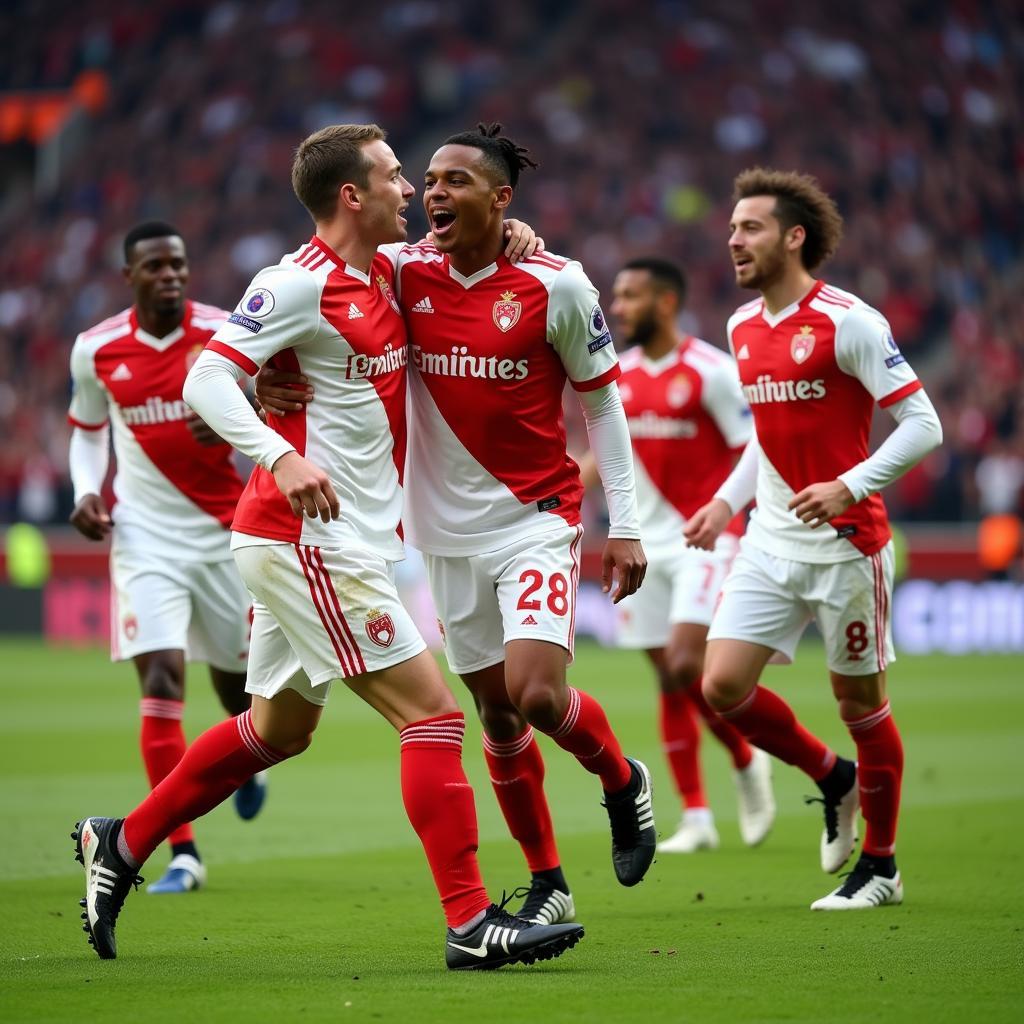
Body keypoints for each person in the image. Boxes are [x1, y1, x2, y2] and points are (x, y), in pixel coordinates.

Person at [73, 124, 583, 972]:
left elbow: (477, 250)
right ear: (352, 195)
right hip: (306, 535)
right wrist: (281, 452)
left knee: (275, 730)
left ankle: (120, 841)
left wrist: (518, 233)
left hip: (336, 541)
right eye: (393, 177)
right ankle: (469, 922)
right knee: (435, 716)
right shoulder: (296, 284)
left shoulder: (385, 269)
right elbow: (207, 376)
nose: (411, 192)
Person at [261, 125, 656, 924]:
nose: (432, 193)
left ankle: (622, 781)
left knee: (538, 693)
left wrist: (629, 522)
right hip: (442, 535)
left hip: (535, 519)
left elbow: (603, 405)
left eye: (454, 183)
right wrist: (271, 375)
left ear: (501, 200)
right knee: (498, 716)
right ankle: (547, 881)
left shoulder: (560, 284)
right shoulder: (400, 272)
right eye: (428, 180)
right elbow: (310, 299)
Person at [685, 168, 943, 909]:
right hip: (769, 539)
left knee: (862, 707)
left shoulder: (849, 321)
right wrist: (723, 503)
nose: (734, 240)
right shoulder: (741, 326)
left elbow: (925, 424)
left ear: (794, 237)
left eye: (751, 228)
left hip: (847, 549)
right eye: (732, 228)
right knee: (722, 686)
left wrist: (851, 484)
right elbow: (768, 440)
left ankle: (883, 867)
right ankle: (834, 780)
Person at [67, 222, 267, 896]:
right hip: (145, 536)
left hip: (223, 533)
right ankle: (183, 852)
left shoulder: (223, 333)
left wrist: (242, 408)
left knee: (238, 690)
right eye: (154, 266)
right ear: (131, 276)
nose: (169, 275)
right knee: (160, 679)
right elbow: (88, 433)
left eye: (177, 264)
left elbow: (276, 397)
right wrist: (87, 490)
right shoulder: (96, 349)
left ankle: (248, 760)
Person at [578, 257, 775, 854]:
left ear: (666, 302)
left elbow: (755, 449)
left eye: (630, 296)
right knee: (668, 677)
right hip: (645, 544)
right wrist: (552, 490)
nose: (618, 308)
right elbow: (602, 457)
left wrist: (736, 517)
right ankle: (697, 816)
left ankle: (746, 759)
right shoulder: (620, 376)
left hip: (707, 538)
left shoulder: (713, 371)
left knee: (689, 664)